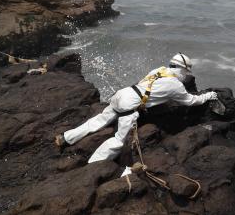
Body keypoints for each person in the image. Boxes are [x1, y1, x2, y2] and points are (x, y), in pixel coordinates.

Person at [54, 53, 218, 165]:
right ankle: (94, 164)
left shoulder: (159, 70)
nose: (186, 75)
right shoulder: (175, 85)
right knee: (118, 141)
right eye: (187, 72)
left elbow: (143, 85)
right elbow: (191, 101)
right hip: (128, 106)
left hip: (122, 94)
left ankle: (65, 138)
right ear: (182, 69)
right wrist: (208, 96)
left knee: (97, 121)